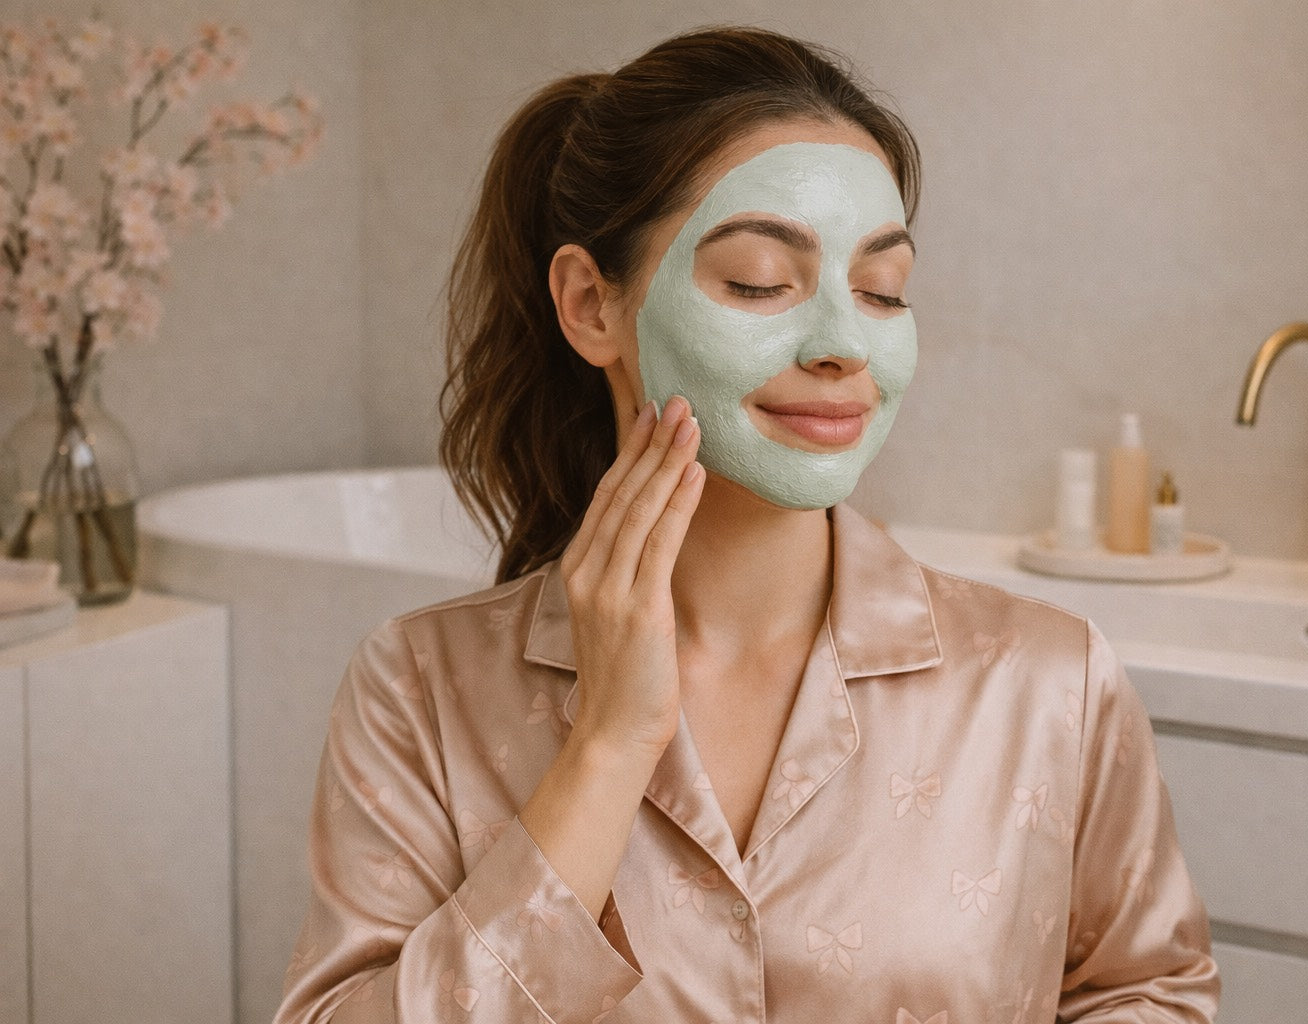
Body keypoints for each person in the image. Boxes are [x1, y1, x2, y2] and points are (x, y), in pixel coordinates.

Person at [275, 26, 1219, 1024]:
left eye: (882, 290)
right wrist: (607, 747)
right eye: (760, 281)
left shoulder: (1049, 682)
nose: (844, 345)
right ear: (591, 305)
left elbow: (1149, 990)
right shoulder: (419, 691)